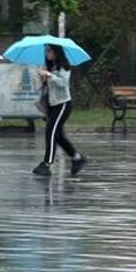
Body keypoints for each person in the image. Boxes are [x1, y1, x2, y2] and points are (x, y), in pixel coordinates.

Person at [32, 45, 86, 176]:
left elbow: (63, 83)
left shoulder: (64, 67)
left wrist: (50, 75)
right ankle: (77, 158)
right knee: (59, 136)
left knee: (50, 132)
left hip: (62, 105)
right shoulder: (51, 66)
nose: (47, 54)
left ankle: (47, 163)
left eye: (49, 51)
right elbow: (46, 87)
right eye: (46, 51)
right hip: (51, 104)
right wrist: (42, 78)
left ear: (56, 52)